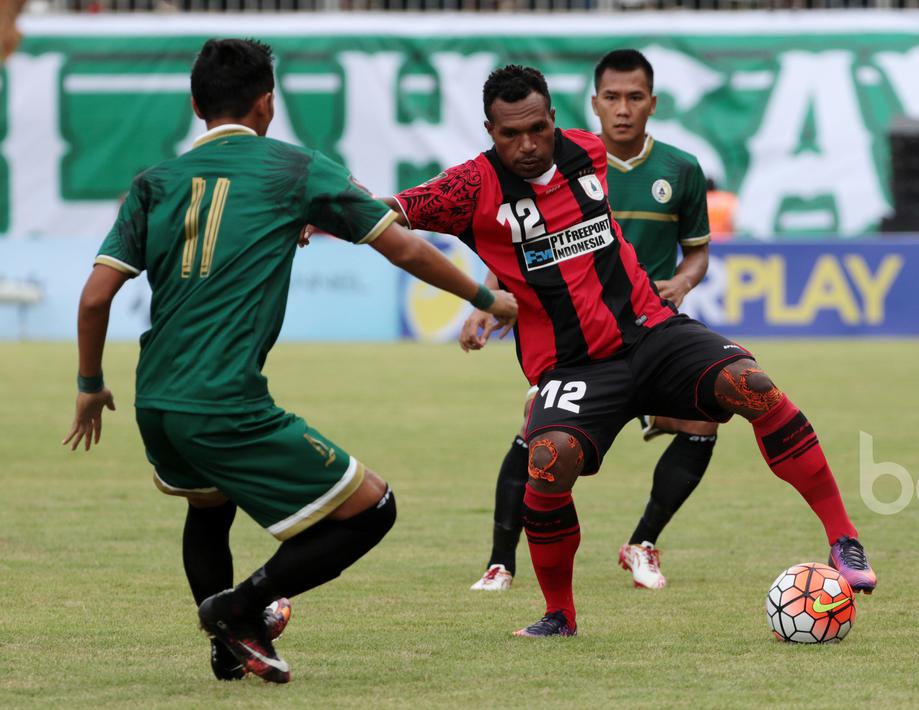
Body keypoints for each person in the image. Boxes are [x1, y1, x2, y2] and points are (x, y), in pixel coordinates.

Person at [61, 38, 516, 683]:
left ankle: (231, 650)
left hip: (156, 400)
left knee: (207, 510)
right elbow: (407, 251)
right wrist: (486, 297)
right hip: (226, 402)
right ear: (268, 103)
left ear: (196, 105)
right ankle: (240, 608)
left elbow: (94, 299)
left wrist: (87, 386)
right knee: (373, 509)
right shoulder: (294, 169)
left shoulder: (153, 183)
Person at [384, 64, 876, 638]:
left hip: (652, 334)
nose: (527, 144)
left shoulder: (588, 153)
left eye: (538, 128)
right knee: (547, 460)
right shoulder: (469, 187)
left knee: (754, 386)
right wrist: (318, 220)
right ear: (489, 130)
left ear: (555, 120)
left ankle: (844, 538)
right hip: (573, 367)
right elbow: (388, 210)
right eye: (510, 134)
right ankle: (559, 615)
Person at [460, 49, 715, 593]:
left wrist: (684, 282)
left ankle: (642, 542)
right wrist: (488, 299)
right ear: (593, 103)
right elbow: (521, 244)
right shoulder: (556, 161)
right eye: (612, 98)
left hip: (650, 330)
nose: (623, 109)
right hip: (573, 338)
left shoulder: (681, 169)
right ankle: (501, 562)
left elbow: (696, 252)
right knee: (537, 434)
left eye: (635, 97)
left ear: (653, 103)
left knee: (704, 421)